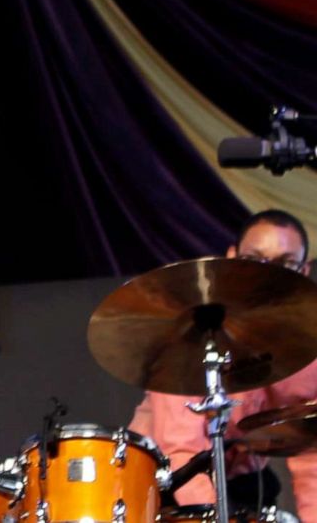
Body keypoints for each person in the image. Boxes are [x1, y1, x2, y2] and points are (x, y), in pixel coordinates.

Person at [128, 209, 317, 520]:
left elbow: (310, 453)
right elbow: (182, 451)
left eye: (286, 264)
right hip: (163, 480)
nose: (267, 276)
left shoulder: (309, 348)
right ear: (232, 258)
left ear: (304, 270)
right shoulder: (192, 334)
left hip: (241, 482)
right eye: (256, 261)